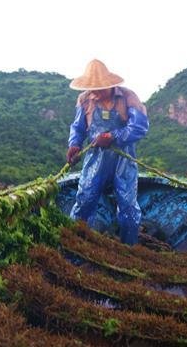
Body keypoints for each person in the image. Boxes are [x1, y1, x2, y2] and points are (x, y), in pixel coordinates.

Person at [66, 59, 149, 245]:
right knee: (85, 199)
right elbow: (78, 128)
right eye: (93, 87)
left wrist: (113, 136)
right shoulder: (85, 100)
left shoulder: (128, 98)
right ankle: (75, 243)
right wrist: (75, 144)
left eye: (100, 87)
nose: (96, 92)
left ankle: (129, 248)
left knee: (127, 205)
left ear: (110, 84)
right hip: (95, 159)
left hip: (123, 160)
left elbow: (139, 127)